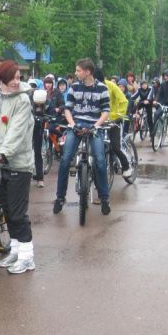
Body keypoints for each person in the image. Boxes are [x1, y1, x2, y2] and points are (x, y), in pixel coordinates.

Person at [0, 60, 36, 274]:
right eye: (12, 78)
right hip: (0, 163)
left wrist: (2, 154)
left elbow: (16, 132)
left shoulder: (23, 100)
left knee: (17, 213)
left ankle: (27, 257)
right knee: (7, 211)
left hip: (18, 163)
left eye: (18, 78)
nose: (16, 82)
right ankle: (15, 250)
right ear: (2, 79)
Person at [53, 58, 111, 216]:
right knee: (65, 159)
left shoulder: (102, 88)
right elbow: (67, 109)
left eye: (78, 70)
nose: (76, 73)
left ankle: (104, 198)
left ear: (88, 72)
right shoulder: (74, 87)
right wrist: (72, 124)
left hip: (94, 127)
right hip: (76, 125)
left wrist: (96, 125)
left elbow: (106, 111)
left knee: (100, 160)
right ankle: (60, 198)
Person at [97, 70, 132, 178]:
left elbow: (124, 101)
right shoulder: (90, 87)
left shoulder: (111, 86)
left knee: (116, 146)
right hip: (99, 121)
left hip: (114, 120)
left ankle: (126, 166)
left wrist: (118, 116)